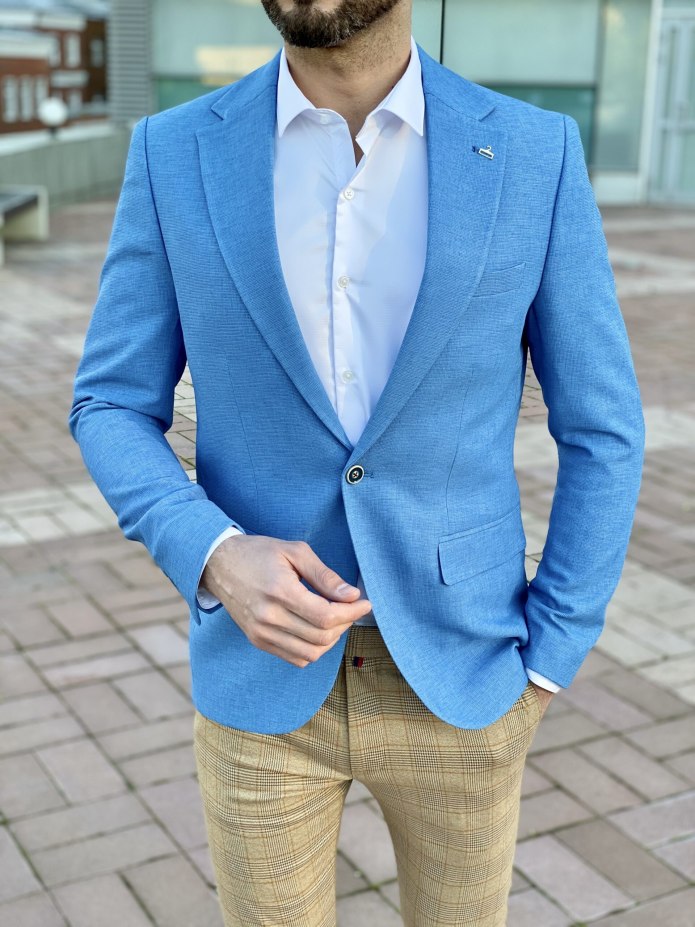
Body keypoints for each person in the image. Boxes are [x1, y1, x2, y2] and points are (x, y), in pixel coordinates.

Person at [68, 0, 645, 923]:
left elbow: (602, 425)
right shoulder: (172, 152)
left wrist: (551, 654)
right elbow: (109, 401)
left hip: (467, 675)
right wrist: (213, 552)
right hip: (258, 685)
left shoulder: (533, 152)